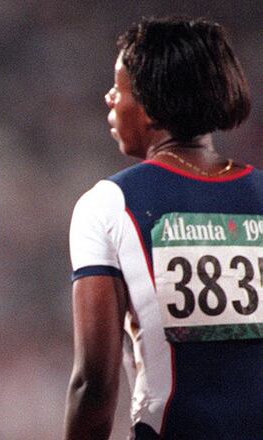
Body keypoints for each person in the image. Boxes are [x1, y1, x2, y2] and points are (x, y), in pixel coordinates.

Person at [64, 17, 261, 440]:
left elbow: (93, 384)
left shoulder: (108, 205)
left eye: (119, 87)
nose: (109, 97)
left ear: (151, 107)